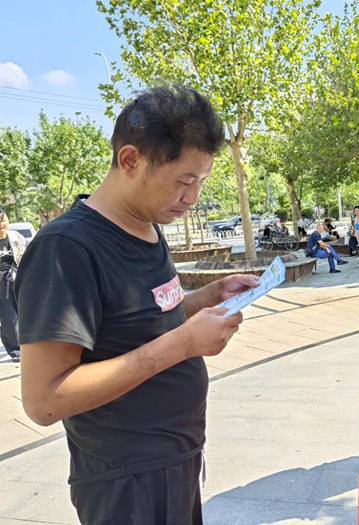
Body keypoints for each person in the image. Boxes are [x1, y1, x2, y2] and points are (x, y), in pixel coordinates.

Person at [15, 85, 260, 525]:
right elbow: (44, 399)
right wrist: (184, 345)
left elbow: (144, 322)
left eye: (201, 181)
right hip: (127, 483)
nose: (192, 198)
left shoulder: (148, 224)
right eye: (183, 181)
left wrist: (205, 299)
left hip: (178, 459)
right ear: (130, 161)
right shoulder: (66, 249)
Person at [0, 209, 26, 363]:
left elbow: (24, 255)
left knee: (23, 313)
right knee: (9, 317)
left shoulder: (15, 237)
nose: (1, 224)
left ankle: (28, 345)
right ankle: (15, 350)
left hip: (16, 279)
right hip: (0, 283)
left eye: (3, 220)